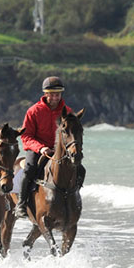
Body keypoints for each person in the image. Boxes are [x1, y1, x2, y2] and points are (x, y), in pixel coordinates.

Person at [14, 76, 84, 217]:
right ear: (45, 94)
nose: (54, 97)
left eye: (57, 94)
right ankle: (21, 204)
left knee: (80, 169)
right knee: (29, 169)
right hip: (38, 149)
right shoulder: (33, 111)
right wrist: (41, 148)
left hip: (60, 151)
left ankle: (72, 198)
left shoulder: (68, 111)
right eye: (51, 94)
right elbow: (26, 136)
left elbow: (71, 133)